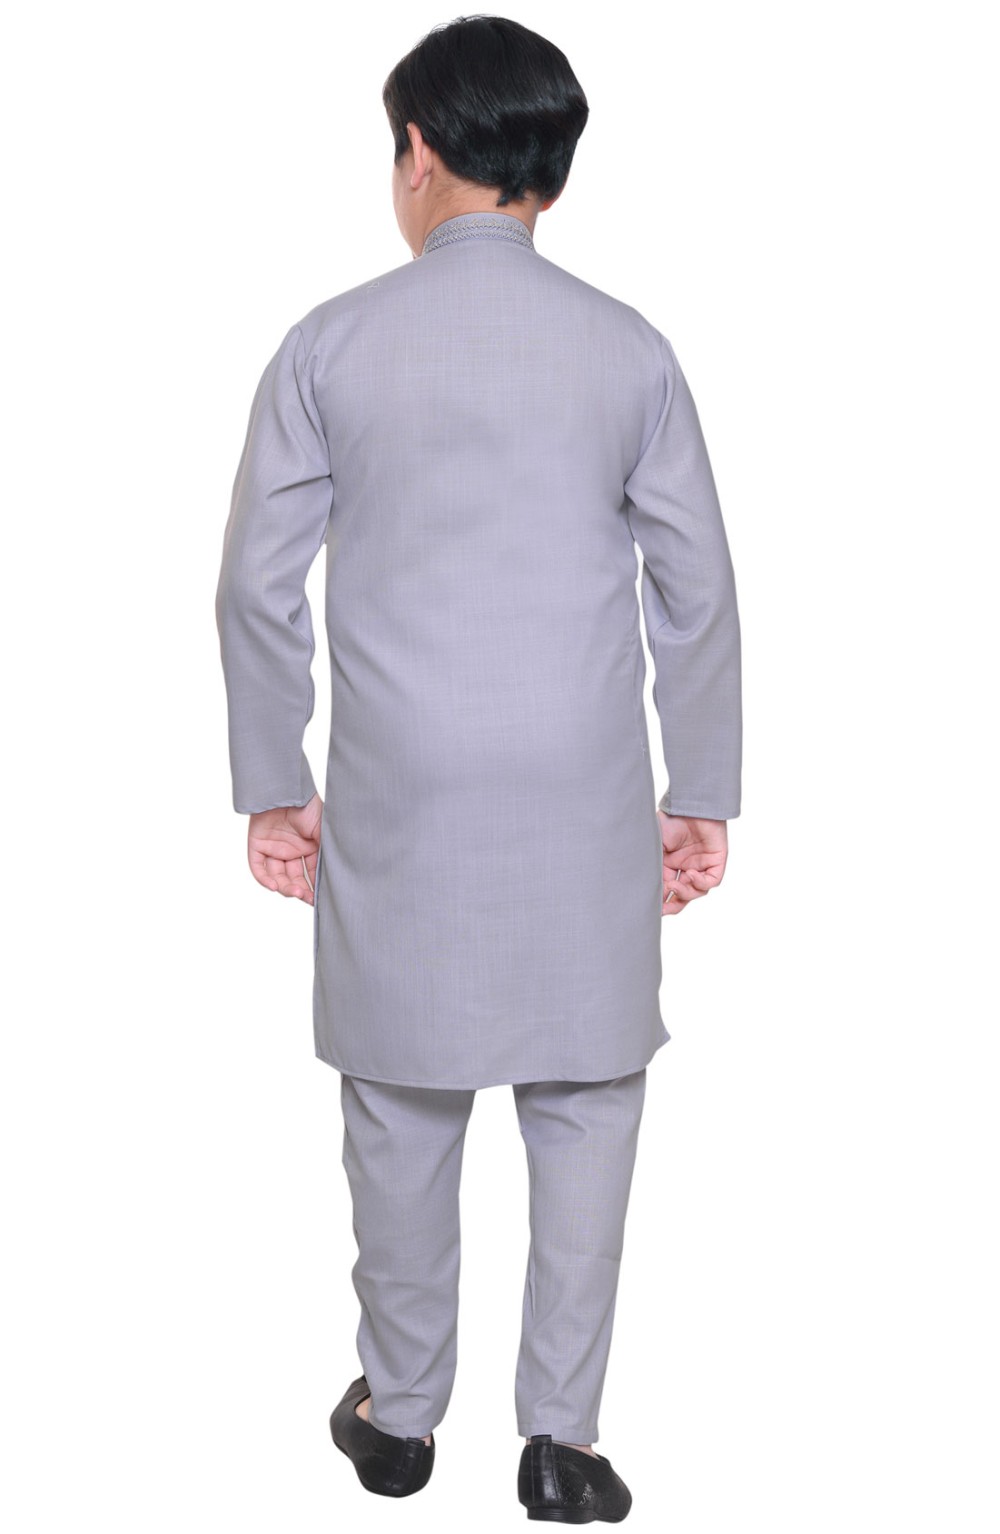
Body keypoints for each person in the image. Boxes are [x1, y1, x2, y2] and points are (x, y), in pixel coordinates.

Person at [215, 14, 741, 1522]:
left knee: (400, 1106)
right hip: (584, 790)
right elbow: (697, 591)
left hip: (404, 791)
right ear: (549, 176)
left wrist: (272, 779)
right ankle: (563, 1442)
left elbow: (256, 586)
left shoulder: (330, 343)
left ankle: (399, 1415)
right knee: (588, 1103)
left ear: (418, 153)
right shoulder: (630, 349)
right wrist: (698, 793)